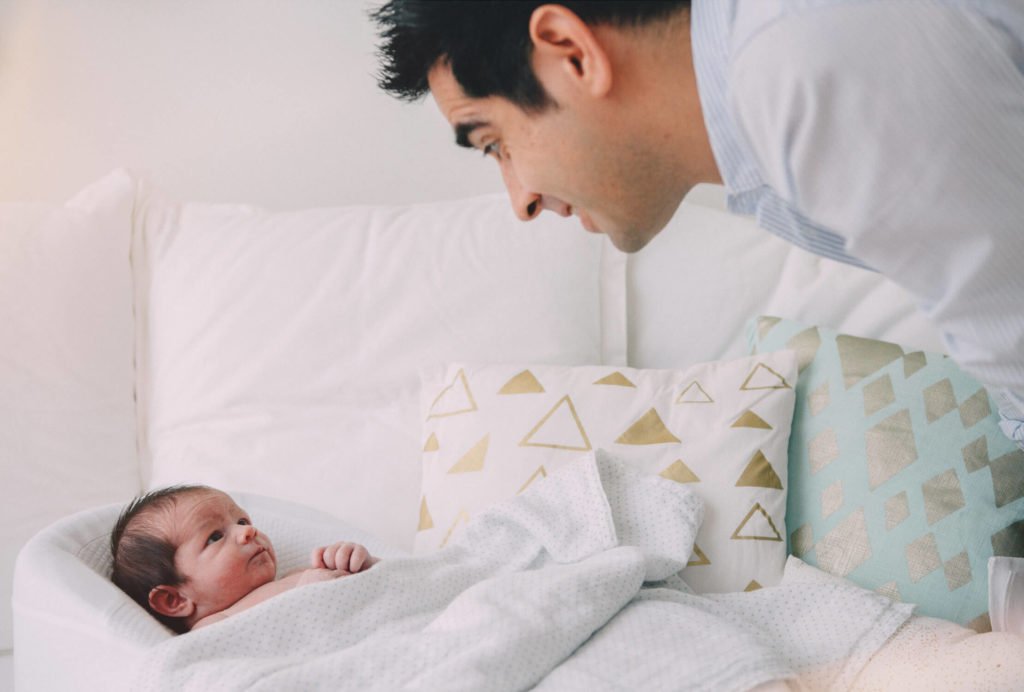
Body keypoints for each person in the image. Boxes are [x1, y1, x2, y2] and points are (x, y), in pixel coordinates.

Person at [370, 0, 1024, 448]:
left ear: (571, 52)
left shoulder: (802, 71)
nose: (521, 200)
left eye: (494, 143)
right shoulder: (764, 111)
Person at [110, 485, 379, 633]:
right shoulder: (213, 629)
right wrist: (307, 594)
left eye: (242, 520)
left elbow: (381, 582)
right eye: (215, 537)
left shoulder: (293, 576)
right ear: (175, 600)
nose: (247, 531)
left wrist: (355, 561)